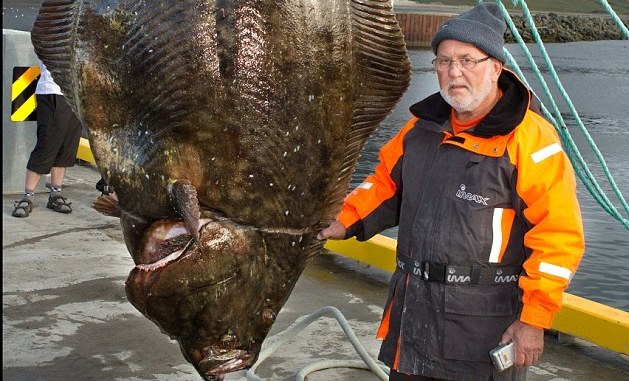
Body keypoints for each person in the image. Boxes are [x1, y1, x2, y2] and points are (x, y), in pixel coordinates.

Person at [317, 3, 585, 381]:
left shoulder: (532, 139)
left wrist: (533, 320)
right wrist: (342, 221)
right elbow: (384, 186)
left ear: (495, 67)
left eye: (467, 60)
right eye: (443, 61)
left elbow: (558, 238)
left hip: (483, 328)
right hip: (412, 320)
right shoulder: (420, 130)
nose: (453, 72)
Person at [11, 62, 82, 218]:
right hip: (53, 92)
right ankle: (27, 197)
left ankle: (55, 194)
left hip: (76, 95)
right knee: (47, 145)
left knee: (66, 147)